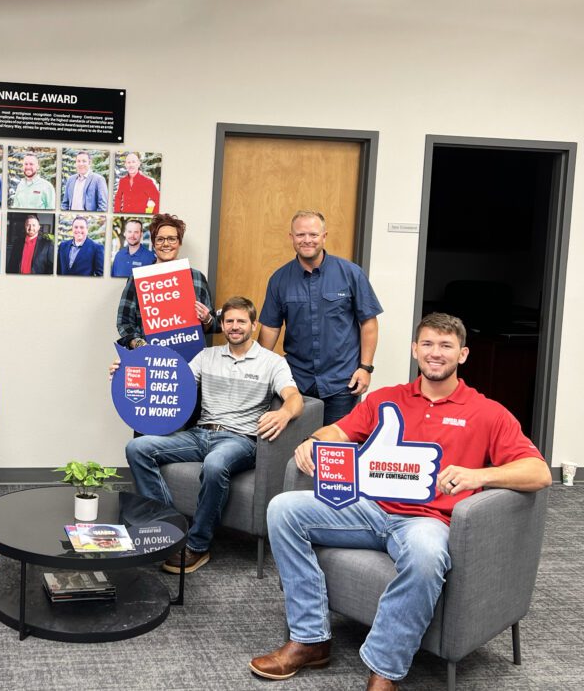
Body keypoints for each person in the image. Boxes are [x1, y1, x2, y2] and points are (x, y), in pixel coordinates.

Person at [249, 313, 550, 689]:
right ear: (414, 349)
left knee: (427, 557)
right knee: (282, 509)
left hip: (428, 522)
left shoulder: (487, 412)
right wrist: (316, 440)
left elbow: (539, 473)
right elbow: (339, 431)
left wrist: (480, 475)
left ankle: (384, 670)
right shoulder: (386, 399)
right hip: (369, 508)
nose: (435, 353)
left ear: (463, 355)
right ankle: (310, 639)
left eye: (445, 346)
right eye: (427, 344)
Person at [119, 297, 303, 573]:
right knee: (138, 448)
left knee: (215, 464)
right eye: (229, 321)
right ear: (223, 325)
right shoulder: (207, 356)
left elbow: (294, 398)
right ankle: (169, 528)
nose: (235, 326)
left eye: (241, 321)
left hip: (240, 440)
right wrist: (126, 370)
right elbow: (169, 380)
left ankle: (197, 545)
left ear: (254, 325)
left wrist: (284, 413)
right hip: (199, 434)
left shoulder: (271, 362)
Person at [258, 210, 383, 425]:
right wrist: (256, 369)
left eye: (313, 234)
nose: (307, 240)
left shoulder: (351, 273)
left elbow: (368, 323)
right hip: (296, 382)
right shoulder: (279, 279)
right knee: (294, 448)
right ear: (291, 238)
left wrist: (365, 368)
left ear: (324, 236)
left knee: (334, 448)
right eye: (300, 235)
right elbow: (270, 328)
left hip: (343, 381)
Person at [116, 213, 217, 349]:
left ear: (179, 242)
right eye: (160, 239)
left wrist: (207, 320)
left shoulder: (197, 278)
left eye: (172, 239)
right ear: (153, 243)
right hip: (151, 358)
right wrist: (139, 344)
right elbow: (124, 322)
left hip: (191, 359)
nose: (166, 244)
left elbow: (213, 325)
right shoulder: (138, 278)